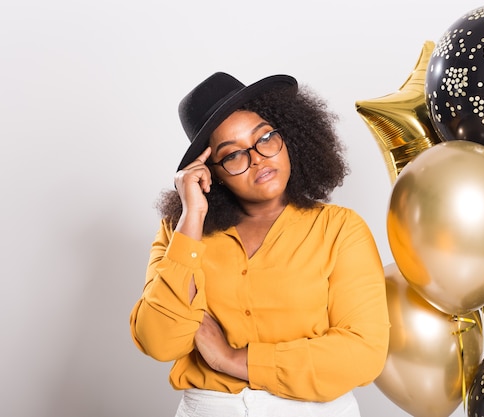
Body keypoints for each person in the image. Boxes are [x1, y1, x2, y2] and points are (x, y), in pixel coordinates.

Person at [129, 71, 390, 417]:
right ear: (212, 172)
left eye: (264, 137)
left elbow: (362, 354)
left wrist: (233, 360)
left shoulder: (340, 229)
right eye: (232, 155)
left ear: (290, 135)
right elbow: (159, 341)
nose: (257, 159)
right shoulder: (180, 233)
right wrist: (192, 214)